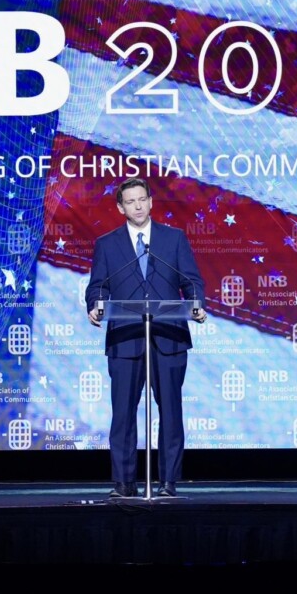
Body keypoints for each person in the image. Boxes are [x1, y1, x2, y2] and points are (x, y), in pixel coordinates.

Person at [85, 177, 206, 498]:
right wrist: (95, 305)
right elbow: (98, 286)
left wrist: (196, 304)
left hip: (168, 337)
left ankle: (168, 482)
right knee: (123, 413)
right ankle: (124, 483)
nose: (137, 206)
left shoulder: (173, 239)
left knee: (171, 410)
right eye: (130, 202)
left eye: (142, 200)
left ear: (151, 202)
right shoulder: (107, 244)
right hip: (125, 339)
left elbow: (191, 281)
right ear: (120, 207)